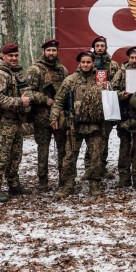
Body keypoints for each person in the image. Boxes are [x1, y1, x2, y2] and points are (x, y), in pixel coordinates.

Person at [51, 51, 108, 198]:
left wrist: (109, 88)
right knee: (70, 155)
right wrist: (54, 118)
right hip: (75, 125)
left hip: (95, 124)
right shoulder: (71, 80)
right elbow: (58, 101)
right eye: (83, 62)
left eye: (88, 62)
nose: (86, 64)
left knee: (96, 155)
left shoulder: (100, 79)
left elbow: (110, 99)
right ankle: (69, 184)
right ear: (79, 63)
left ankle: (94, 183)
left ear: (93, 63)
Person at [0, 43, 34, 203]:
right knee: (1, 155)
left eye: (16, 55)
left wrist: (29, 97)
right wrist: (20, 102)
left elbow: (26, 91)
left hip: (17, 120)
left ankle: (13, 185)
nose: (14, 58)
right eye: (10, 56)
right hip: (3, 121)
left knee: (15, 155)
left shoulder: (17, 73)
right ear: (3, 56)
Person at [26, 39, 70, 192]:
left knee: (63, 150)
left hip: (59, 116)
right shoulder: (35, 70)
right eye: (48, 50)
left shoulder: (63, 70)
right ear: (44, 52)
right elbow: (28, 92)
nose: (51, 53)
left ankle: (63, 179)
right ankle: (43, 180)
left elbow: (67, 92)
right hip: (42, 117)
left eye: (54, 50)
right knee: (43, 150)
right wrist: (45, 99)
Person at [111, 46, 136, 191]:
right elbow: (112, 91)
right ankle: (124, 178)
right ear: (129, 59)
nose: (134, 60)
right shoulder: (121, 73)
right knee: (124, 148)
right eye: (132, 58)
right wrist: (123, 95)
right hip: (124, 116)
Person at [89, 36, 120, 180]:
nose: (100, 48)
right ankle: (89, 168)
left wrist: (109, 85)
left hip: (107, 104)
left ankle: (102, 167)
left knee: (105, 137)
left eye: (102, 46)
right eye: (97, 46)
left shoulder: (113, 65)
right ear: (94, 47)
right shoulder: (87, 61)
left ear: (106, 47)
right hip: (91, 106)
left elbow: (118, 83)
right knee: (91, 137)